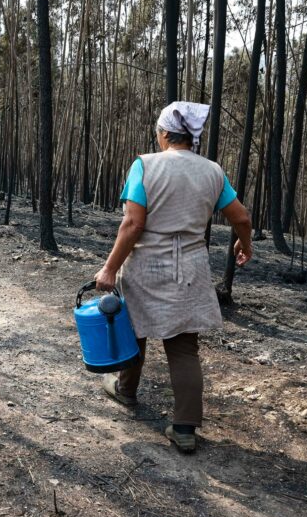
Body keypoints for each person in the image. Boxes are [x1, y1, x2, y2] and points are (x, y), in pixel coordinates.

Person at [94, 101, 253, 453]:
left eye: (157, 131)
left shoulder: (145, 166)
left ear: (165, 134)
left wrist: (108, 268)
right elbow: (240, 216)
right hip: (191, 269)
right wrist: (245, 244)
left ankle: (126, 391)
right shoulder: (213, 171)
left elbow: (133, 223)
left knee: (134, 333)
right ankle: (184, 428)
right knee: (184, 349)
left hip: (147, 265)